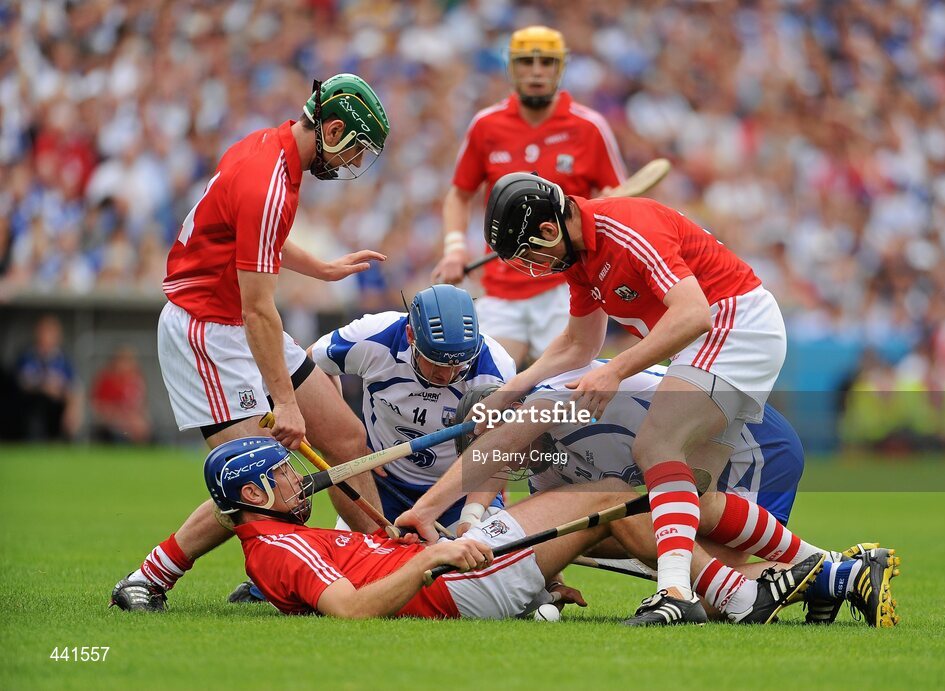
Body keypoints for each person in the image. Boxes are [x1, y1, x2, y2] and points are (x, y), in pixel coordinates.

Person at [464, 172, 800, 625]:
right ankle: (832, 569)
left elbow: (694, 313)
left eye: (530, 254)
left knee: (654, 447)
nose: (533, 266)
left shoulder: (626, 229)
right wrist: (508, 393)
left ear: (549, 230)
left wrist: (615, 370)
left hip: (734, 322)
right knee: (698, 501)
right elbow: (576, 345)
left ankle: (676, 593)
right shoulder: (580, 260)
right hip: (725, 333)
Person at [111, 74, 392, 612]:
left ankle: (380, 561)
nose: (352, 162)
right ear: (332, 129)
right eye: (354, 148)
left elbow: (261, 237)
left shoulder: (273, 146)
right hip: (209, 332)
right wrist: (285, 403)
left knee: (347, 439)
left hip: (240, 323)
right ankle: (147, 578)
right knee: (255, 483)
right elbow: (258, 307)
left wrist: (322, 268)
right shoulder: (270, 178)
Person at [398, 366, 899, 627]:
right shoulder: (545, 465)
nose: (509, 467)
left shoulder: (565, 401)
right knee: (701, 571)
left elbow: (623, 511)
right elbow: (590, 524)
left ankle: (837, 572)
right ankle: (835, 578)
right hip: (704, 451)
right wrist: (546, 581)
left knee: (712, 575)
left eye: (503, 453)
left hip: (751, 440)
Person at [204, 436, 825, 623]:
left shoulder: (287, 539)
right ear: (254, 496)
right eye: (281, 478)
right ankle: (741, 593)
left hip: (448, 577)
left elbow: (369, 571)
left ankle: (760, 580)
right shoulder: (276, 547)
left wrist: (413, 549)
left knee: (617, 522)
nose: (296, 484)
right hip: (451, 585)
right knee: (611, 497)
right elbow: (349, 609)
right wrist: (432, 559)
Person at [431, 26, 627, 368]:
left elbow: (617, 199)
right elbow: (459, 196)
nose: (536, 71)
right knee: (481, 383)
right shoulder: (486, 125)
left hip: (567, 287)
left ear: (560, 68)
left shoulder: (589, 126)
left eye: (547, 62)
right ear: (511, 67)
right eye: (526, 62)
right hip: (502, 286)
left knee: (564, 394)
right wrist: (454, 248)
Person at [309, 284, 516, 527]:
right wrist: (346, 438)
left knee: (492, 563)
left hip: (456, 492)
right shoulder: (374, 335)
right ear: (410, 335)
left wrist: (471, 516)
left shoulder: (496, 368)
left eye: (459, 365)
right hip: (380, 485)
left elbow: (499, 446)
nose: (446, 375)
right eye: (435, 362)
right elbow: (310, 368)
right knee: (363, 564)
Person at [15, 315, 82, 441]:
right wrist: (44, 387)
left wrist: (73, 408)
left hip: (56, 405)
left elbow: (74, 386)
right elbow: (22, 383)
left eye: (51, 332)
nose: (47, 336)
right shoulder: (27, 356)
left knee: (71, 405)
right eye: (45, 331)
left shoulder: (63, 359)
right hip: (31, 405)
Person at [90, 346, 151, 444]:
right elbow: (99, 407)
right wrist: (123, 420)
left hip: (134, 423)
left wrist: (141, 420)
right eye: (124, 360)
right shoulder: (107, 379)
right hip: (114, 423)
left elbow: (142, 406)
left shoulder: (137, 379)